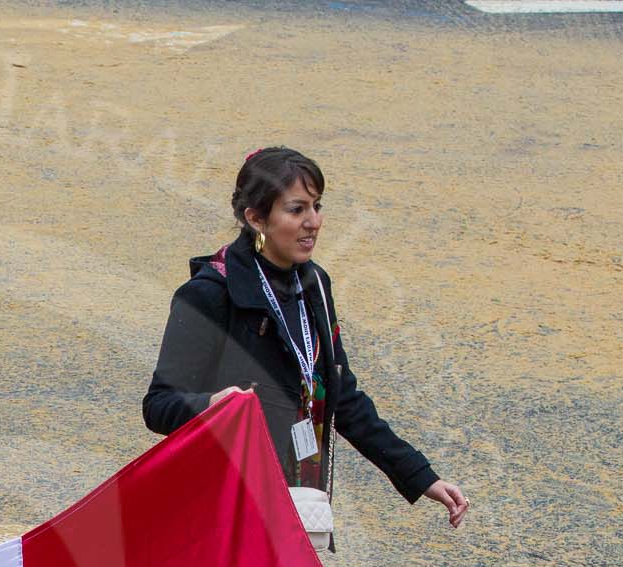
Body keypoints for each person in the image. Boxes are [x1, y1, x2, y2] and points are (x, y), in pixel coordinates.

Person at [143, 147, 469, 538]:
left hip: (297, 498)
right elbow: (158, 406)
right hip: (221, 510)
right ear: (256, 219)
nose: (312, 222)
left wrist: (420, 477)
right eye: (296, 210)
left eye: (316, 206)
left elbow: (342, 397)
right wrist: (210, 406)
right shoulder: (209, 295)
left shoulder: (315, 285)